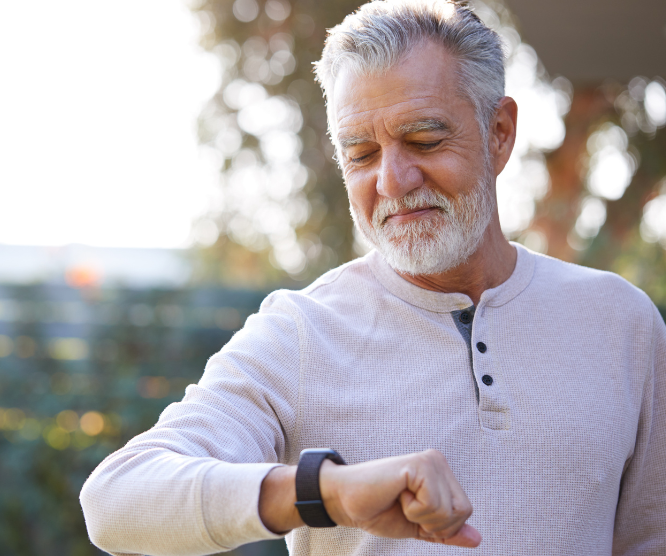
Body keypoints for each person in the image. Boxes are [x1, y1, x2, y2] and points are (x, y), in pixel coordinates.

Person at [80, 1, 666, 554]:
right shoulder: (301, 335)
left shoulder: (623, 324)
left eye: (424, 139)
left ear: (500, 133)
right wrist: (326, 490)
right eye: (360, 153)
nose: (392, 180)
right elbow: (116, 501)